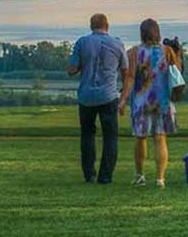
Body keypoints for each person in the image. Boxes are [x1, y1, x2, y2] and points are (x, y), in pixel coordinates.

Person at [67, 12, 126, 184]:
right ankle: (105, 176)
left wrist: (82, 65)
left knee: (87, 134)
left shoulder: (82, 42)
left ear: (91, 26)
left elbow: (71, 69)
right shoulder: (117, 44)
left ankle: (89, 174)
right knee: (110, 137)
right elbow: (125, 70)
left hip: (86, 96)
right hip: (108, 96)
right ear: (107, 26)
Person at [120, 17, 180, 187]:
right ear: (157, 33)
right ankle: (160, 178)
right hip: (162, 101)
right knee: (160, 138)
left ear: (142, 33)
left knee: (141, 138)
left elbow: (130, 78)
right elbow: (176, 73)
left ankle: (140, 176)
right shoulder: (167, 51)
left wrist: (123, 99)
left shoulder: (133, 52)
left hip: (141, 101)